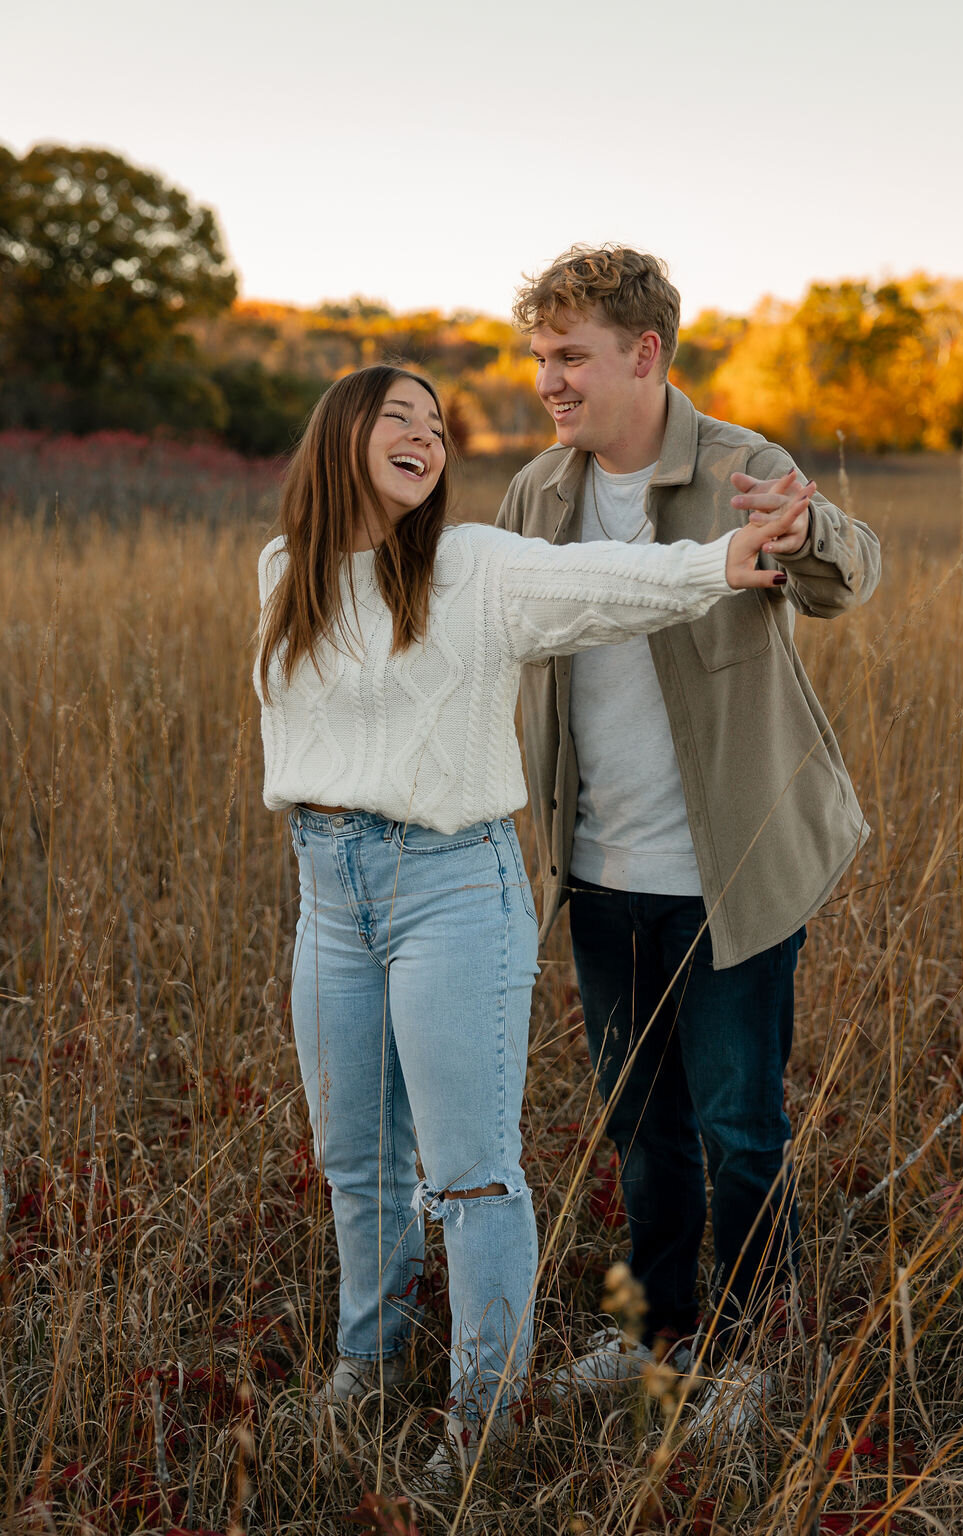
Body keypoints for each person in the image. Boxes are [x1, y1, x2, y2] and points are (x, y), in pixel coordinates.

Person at [254, 363, 814, 1470]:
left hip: (449, 887)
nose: (425, 436)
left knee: (469, 1171)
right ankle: (367, 1364)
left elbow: (607, 583)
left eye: (435, 424)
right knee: (356, 1157)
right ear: (338, 438)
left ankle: (484, 1414)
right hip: (326, 887)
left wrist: (720, 561)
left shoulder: (470, 567)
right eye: (396, 418)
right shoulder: (283, 570)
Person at [498, 245, 881, 1428]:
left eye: (572, 357)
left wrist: (807, 529)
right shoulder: (537, 495)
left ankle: (756, 1354)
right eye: (541, 358)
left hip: (732, 870)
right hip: (600, 876)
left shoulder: (740, 467)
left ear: (644, 354)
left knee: (738, 1125)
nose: (550, 381)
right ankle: (655, 1334)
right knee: (639, 1124)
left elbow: (846, 577)